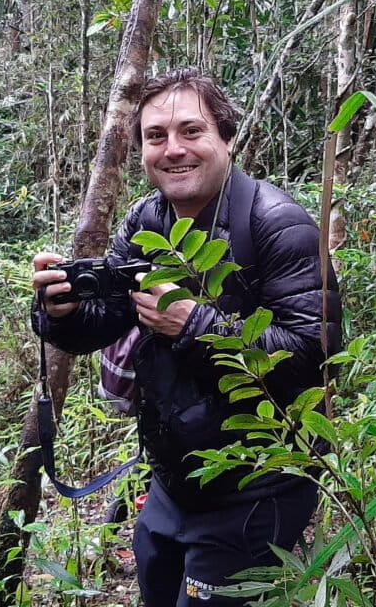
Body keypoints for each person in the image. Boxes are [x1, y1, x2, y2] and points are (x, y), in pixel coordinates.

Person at [31, 68, 342, 606]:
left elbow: (316, 355)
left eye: (191, 131)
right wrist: (61, 312)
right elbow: (107, 321)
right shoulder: (148, 218)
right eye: (156, 136)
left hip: (257, 485)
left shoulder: (278, 224)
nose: (173, 149)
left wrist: (194, 324)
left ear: (227, 137)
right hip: (173, 481)